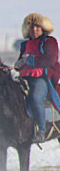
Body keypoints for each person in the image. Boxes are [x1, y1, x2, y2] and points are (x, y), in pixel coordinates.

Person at [14, 13, 60, 142]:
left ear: (43, 28)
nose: (34, 30)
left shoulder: (50, 42)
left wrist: (30, 60)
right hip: (25, 77)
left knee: (35, 96)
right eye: (31, 27)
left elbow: (50, 60)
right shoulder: (25, 45)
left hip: (42, 77)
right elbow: (20, 61)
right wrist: (18, 65)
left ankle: (41, 130)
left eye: (37, 27)